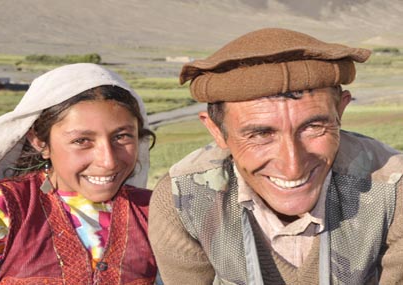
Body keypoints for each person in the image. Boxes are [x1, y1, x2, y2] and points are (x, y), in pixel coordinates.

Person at [148, 28, 403, 284]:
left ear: (341, 111)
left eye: (313, 127)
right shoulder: (183, 200)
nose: (293, 166)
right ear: (216, 131)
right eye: (260, 134)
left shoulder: (394, 193)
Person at [0, 63, 158, 284]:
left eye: (121, 137)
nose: (108, 161)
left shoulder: (155, 213)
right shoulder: (5, 209)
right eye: (82, 141)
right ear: (41, 142)